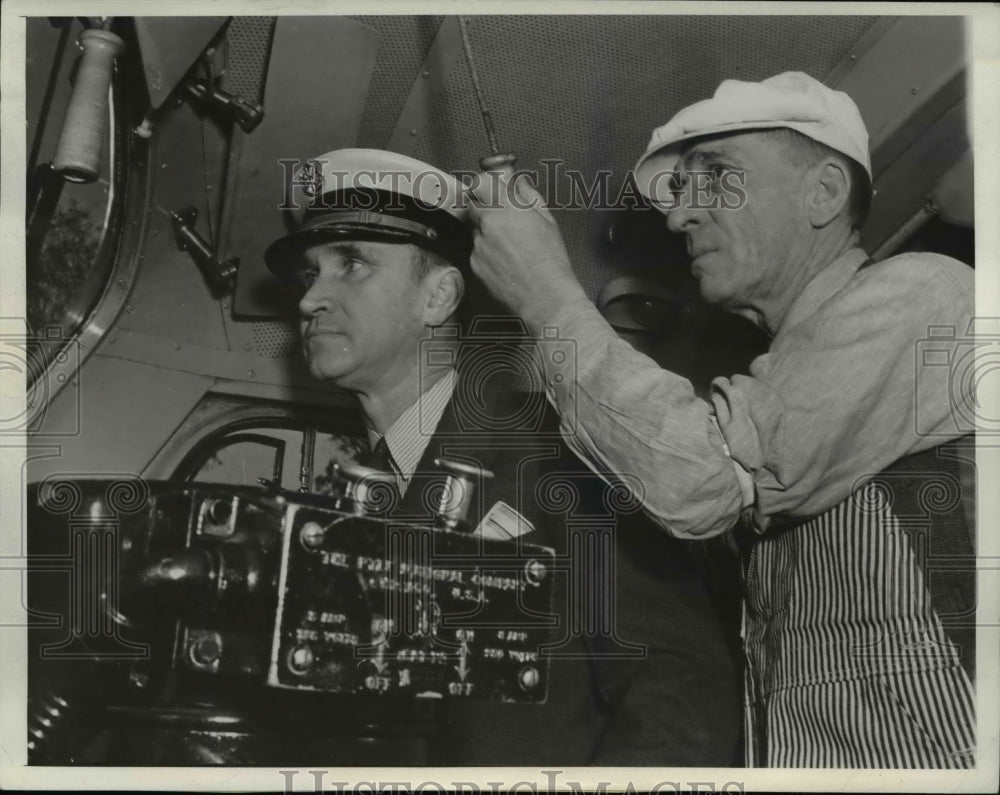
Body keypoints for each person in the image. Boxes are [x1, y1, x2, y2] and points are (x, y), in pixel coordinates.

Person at [465, 71, 976, 768]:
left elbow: (700, 481)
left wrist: (550, 297)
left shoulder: (921, 294)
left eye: (716, 176)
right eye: (680, 191)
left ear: (823, 192)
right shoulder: (780, 372)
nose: (679, 216)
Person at [264, 148, 741, 765]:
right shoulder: (342, 507)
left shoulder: (562, 458)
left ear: (438, 297)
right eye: (310, 274)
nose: (309, 300)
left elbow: (682, 698)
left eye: (350, 264)